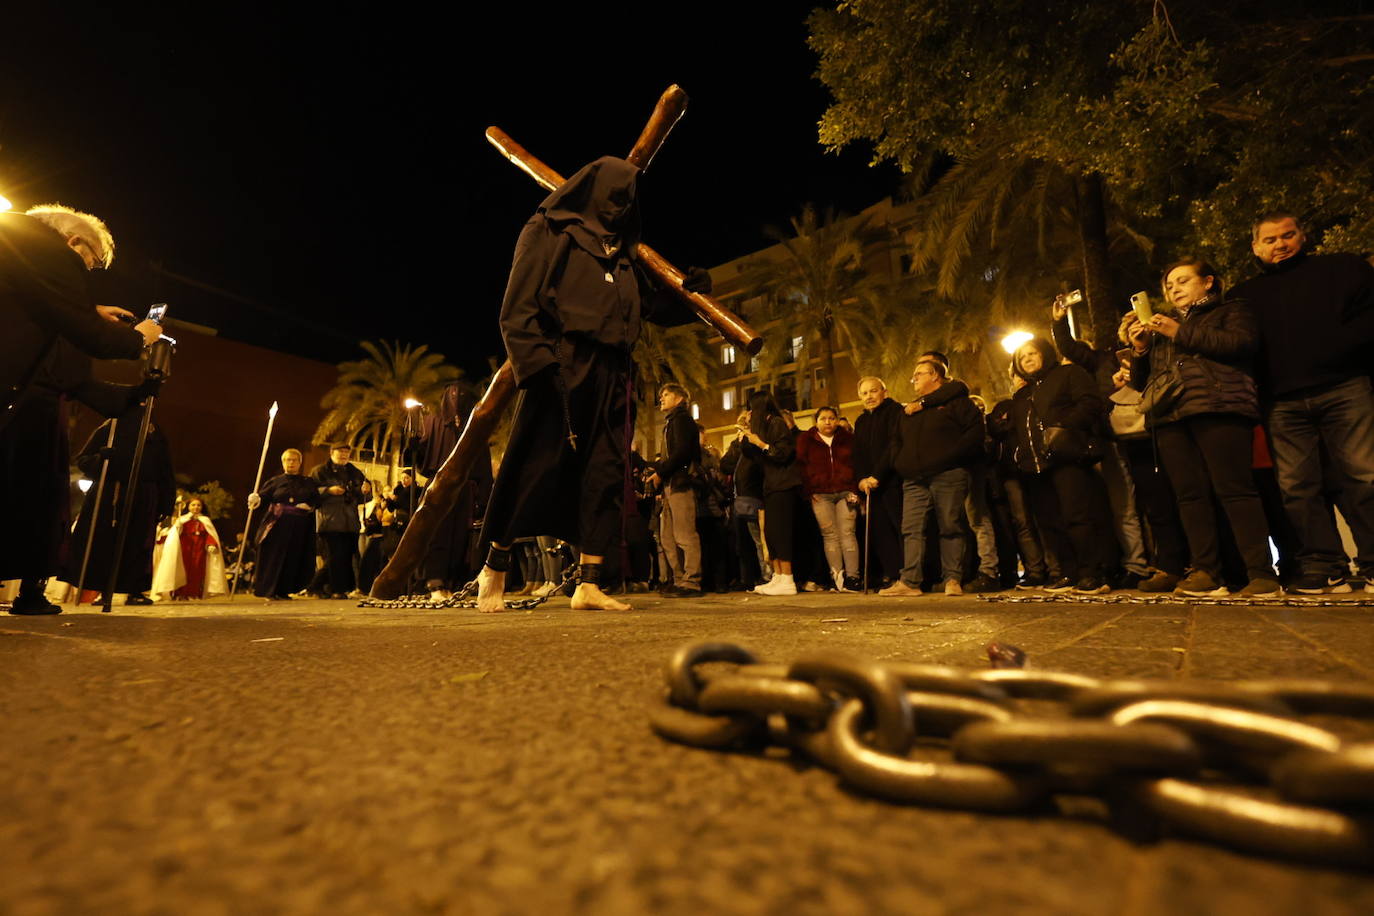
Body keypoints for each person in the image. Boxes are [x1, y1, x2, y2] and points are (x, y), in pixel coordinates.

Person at [474, 156, 706, 612]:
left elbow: (654, 310)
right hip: (562, 364)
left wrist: (691, 291)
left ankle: (589, 581)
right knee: (534, 463)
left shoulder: (625, 255)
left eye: (629, 198)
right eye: (614, 195)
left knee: (604, 472)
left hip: (616, 371)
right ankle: (494, 569)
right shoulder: (547, 231)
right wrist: (538, 365)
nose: (621, 205)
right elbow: (516, 306)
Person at [1, 205, 160, 615]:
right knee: (26, 504)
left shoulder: (19, 250)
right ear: (73, 242)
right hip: (24, 410)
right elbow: (76, 327)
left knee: (30, 507)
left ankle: (31, 588)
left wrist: (139, 392)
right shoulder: (46, 252)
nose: (86, 271)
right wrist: (139, 339)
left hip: (33, 408)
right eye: (89, 261)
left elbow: (76, 373)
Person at [1232, 211, 1374, 594]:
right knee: (1297, 486)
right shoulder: (1245, 295)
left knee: (1364, 474)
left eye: (1288, 235)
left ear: (1302, 235)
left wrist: (1342, 352)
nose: (1281, 244)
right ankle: (1324, 565)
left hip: (1345, 386)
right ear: (1256, 247)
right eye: (1270, 239)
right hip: (1282, 400)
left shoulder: (1342, 269)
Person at [1127, 257, 1281, 597]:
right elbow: (1143, 382)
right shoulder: (1165, 327)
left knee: (1236, 489)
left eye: (1182, 281)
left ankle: (1261, 573)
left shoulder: (1232, 309)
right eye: (1169, 285)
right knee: (1189, 496)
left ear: (1208, 281)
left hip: (1219, 406)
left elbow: (1240, 344)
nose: (1174, 289)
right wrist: (1140, 349)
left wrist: (1178, 331)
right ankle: (1206, 572)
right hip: (1170, 416)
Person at [1051, 295, 1151, 588]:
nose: (1133, 328)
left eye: (1139, 321)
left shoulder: (1163, 352)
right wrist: (1058, 321)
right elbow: (1069, 348)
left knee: (1159, 502)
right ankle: (1135, 564)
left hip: (1153, 435)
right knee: (1124, 506)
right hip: (1114, 436)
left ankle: (1169, 561)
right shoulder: (1105, 358)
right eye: (1128, 323)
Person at [1005, 337, 1113, 594]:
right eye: (1022, 357)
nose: (1028, 359)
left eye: (1032, 354)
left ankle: (1092, 573)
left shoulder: (1068, 373)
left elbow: (1090, 404)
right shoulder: (1022, 394)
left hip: (1067, 457)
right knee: (1051, 523)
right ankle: (1069, 573)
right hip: (1036, 467)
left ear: (1044, 354)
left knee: (1078, 517)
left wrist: (1062, 426)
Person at [879, 358, 984, 597]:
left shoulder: (959, 404)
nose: (914, 378)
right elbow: (896, 441)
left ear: (935, 375)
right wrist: (900, 463)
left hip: (948, 474)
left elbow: (975, 434)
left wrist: (950, 458)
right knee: (911, 529)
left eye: (919, 373)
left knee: (950, 526)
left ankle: (952, 580)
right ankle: (910, 581)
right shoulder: (910, 410)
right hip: (914, 478)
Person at [66, 407, 177, 605]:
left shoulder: (153, 432)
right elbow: (83, 460)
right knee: (105, 542)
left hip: (143, 496)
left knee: (137, 543)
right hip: (110, 494)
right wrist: (102, 458)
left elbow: (164, 469)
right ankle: (103, 588)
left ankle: (134, 589)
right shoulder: (110, 428)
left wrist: (166, 503)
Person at [416, 384, 491, 600]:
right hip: (438, 485)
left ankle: (451, 582)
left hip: (465, 488)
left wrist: (482, 495)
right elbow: (421, 453)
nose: (457, 399)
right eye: (452, 395)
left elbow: (483, 462)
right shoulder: (432, 421)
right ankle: (435, 582)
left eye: (462, 395)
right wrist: (413, 444)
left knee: (459, 537)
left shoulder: (475, 423)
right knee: (437, 533)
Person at [740, 390, 804, 596]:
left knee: (781, 533)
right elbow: (751, 455)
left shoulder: (776, 422)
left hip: (783, 486)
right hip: (771, 486)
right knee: (771, 534)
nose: (749, 412)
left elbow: (783, 453)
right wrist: (746, 433)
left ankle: (788, 578)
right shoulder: (764, 426)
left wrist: (762, 444)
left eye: (751, 408)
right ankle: (778, 577)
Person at [796, 405, 861, 591]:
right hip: (820, 494)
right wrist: (809, 491)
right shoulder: (806, 440)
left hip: (846, 491)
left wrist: (855, 489)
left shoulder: (847, 439)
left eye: (832, 418)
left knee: (848, 532)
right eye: (823, 418)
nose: (828, 422)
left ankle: (853, 578)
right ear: (816, 421)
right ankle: (837, 577)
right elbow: (801, 467)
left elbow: (857, 462)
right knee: (830, 535)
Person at [647, 383, 702, 597]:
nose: (661, 398)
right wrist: (660, 474)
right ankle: (679, 580)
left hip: (681, 483)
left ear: (679, 398)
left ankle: (692, 581)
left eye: (666, 394)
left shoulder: (682, 420)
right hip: (670, 484)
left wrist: (661, 472)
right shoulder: (671, 422)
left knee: (685, 534)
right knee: (667, 536)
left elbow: (682, 453)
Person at [853, 376, 905, 588]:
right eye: (864, 393)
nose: (869, 397)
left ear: (884, 391)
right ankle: (892, 573)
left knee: (900, 528)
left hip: (893, 481)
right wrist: (861, 479)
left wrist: (878, 475)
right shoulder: (861, 421)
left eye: (873, 391)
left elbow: (894, 445)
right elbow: (857, 454)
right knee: (880, 531)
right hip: (870, 487)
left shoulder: (895, 412)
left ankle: (908, 574)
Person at [247, 449, 318, 600]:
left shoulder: (308, 482)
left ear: (300, 463)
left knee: (292, 558)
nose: (291, 463)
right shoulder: (274, 481)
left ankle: (284, 590)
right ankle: (269, 590)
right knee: (273, 557)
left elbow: (316, 500)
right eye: (288, 460)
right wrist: (256, 499)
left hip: (299, 527)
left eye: (294, 460)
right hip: (277, 524)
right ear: (283, 462)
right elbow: (263, 498)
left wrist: (309, 506)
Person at [311, 444, 367, 599]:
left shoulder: (355, 472)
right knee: (335, 557)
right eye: (340, 451)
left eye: (347, 452)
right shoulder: (320, 471)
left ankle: (317, 586)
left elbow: (362, 498)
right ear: (331, 452)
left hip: (350, 521)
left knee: (346, 556)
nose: (344, 455)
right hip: (330, 520)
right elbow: (310, 492)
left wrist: (364, 492)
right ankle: (336, 590)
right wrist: (328, 491)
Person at [151, 497, 228, 600]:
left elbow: (210, 535)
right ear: (188, 507)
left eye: (198, 505)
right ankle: (179, 594)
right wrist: (177, 527)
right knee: (182, 571)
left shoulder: (205, 520)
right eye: (193, 505)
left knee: (197, 572)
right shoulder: (182, 519)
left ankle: (194, 594)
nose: (196, 507)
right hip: (184, 550)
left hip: (199, 551)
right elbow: (174, 535)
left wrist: (211, 544)